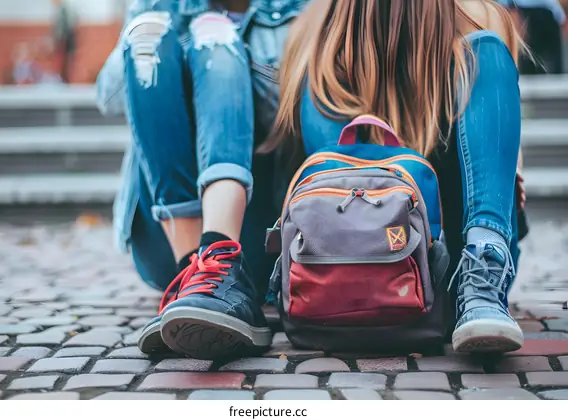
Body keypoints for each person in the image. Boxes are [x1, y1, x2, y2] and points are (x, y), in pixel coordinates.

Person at [259, 0, 527, 353]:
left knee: (485, 51)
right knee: (486, 51)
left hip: (414, 263)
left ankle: (481, 274)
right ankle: (481, 277)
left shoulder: (317, 31)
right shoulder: (476, 19)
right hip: (408, 258)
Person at [96, 0, 308, 360]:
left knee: (217, 41)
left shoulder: (292, 8)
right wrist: (176, 23)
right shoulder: (158, 6)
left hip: (253, 237)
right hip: (164, 239)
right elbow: (110, 97)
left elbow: (291, 111)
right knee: (149, 36)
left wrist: (220, 56)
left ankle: (218, 265)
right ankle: (193, 276)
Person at [496, 0, 567, 73]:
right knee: (529, 60)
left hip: (546, 15)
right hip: (524, 14)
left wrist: (561, 18)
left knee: (553, 61)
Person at [51, 0, 77, 83]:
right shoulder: (61, 10)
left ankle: (64, 79)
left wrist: (60, 40)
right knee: (65, 62)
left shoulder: (63, 10)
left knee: (65, 62)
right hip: (65, 40)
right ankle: (63, 79)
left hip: (65, 41)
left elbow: (63, 28)